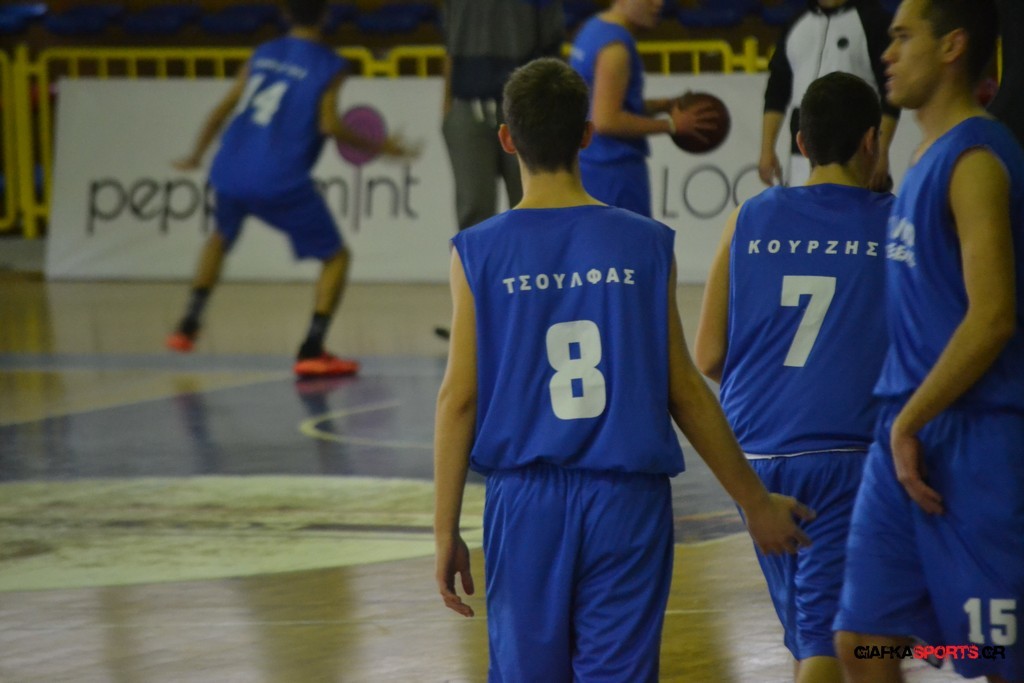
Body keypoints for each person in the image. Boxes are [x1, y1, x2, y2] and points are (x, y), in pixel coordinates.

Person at [433, 57, 815, 682]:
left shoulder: (477, 251)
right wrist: (753, 502)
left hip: (525, 502)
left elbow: (458, 400)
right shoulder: (644, 242)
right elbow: (685, 389)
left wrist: (444, 529)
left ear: (506, 139)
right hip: (628, 501)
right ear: (587, 135)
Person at [832, 1, 1024, 681]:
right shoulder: (924, 157)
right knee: (863, 640)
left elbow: (993, 315)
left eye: (903, 37)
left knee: (998, 657)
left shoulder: (975, 158)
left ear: (952, 47)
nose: (886, 53)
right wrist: (903, 423)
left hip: (973, 436)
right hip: (905, 434)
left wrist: (911, 420)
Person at [694, 72, 893, 683]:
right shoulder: (896, 222)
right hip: (844, 456)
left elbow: (708, 355)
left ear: (801, 144)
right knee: (829, 648)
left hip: (753, 459)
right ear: (871, 141)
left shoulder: (748, 216)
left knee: (824, 637)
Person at [166, 0, 411, 377]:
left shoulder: (264, 52)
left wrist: (195, 154)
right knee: (336, 257)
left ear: (284, 13)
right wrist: (381, 147)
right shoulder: (329, 63)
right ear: (325, 14)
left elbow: (223, 108)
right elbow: (329, 124)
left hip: (229, 168)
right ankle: (312, 348)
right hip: (279, 177)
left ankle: (187, 325)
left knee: (219, 237)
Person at [568, 0, 721, 217]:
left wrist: (661, 105)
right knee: (631, 239)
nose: (658, 4)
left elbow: (600, 103)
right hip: (614, 174)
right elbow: (606, 120)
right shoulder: (615, 49)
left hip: (587, 167)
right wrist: (672, 125)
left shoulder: (593, 29)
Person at [760, 0, 900, 190]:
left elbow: (890, 92)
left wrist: (881, 150)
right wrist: (767, 148)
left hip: (856, 156)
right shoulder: (796, 22)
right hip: (801, 157)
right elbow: (777, 89)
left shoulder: (874, 20)